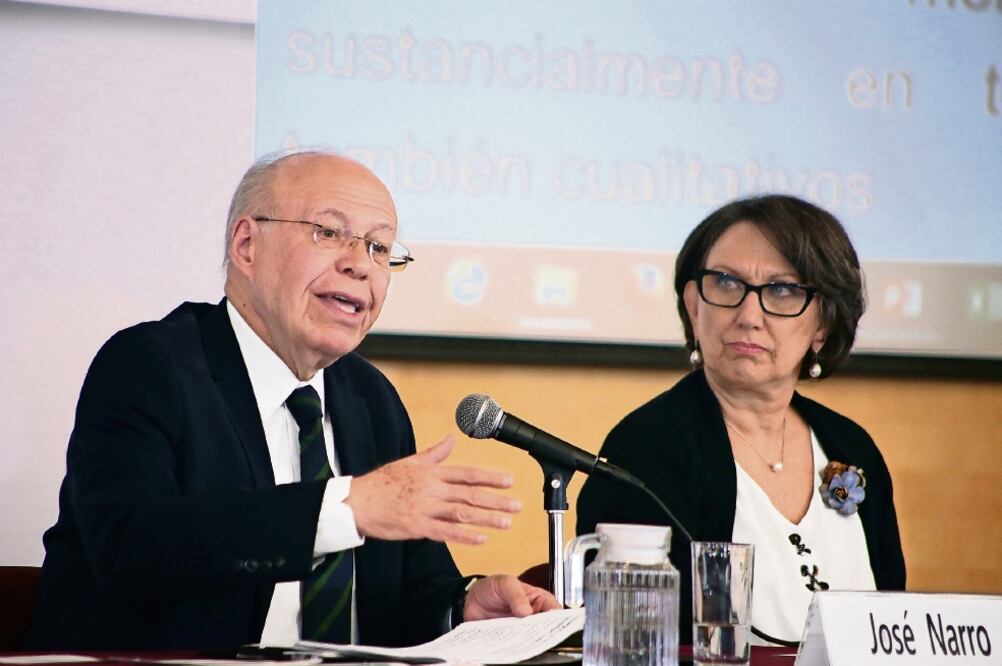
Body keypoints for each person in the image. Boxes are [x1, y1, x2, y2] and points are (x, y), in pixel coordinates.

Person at [28, 151, 558, 650]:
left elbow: (406, 593)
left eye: (379, 247)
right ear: (246, 246)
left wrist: (461, 607)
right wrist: (344, 509)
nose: (361, 265)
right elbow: (133, 550)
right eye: (330, 233)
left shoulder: (371, 400)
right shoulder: (151, 366)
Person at [576, 194, 905, 644]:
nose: (749, 315)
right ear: (695, 307)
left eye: (783, 290)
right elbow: (633, 640)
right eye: (727, 283)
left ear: (823, 325)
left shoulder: (851, 446)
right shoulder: (648, 447)